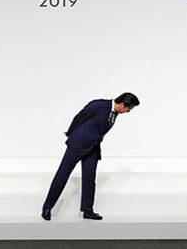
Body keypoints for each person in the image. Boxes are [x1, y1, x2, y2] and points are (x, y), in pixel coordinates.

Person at [41, 92, 140, 221]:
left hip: (93, 147)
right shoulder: (99, 105)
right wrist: (71, 133)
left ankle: (87, 210)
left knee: (89, 179)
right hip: (78, 144)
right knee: (63, 174)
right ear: (122, 104)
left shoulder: (115, 113)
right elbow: (79, 117)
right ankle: (47, 207)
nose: (128, 112)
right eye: (129, 109)